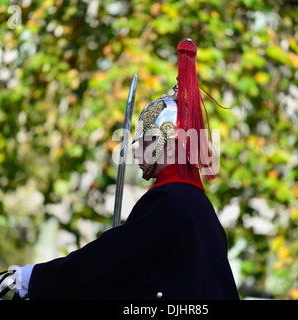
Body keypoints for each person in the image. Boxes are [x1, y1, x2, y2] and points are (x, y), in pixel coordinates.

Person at [13, 39, 239, 300]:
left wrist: (36, 278)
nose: (135, 152)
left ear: (165, 140)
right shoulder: (200, 206)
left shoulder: (169, 200)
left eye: (143, 142)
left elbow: (106, 261)